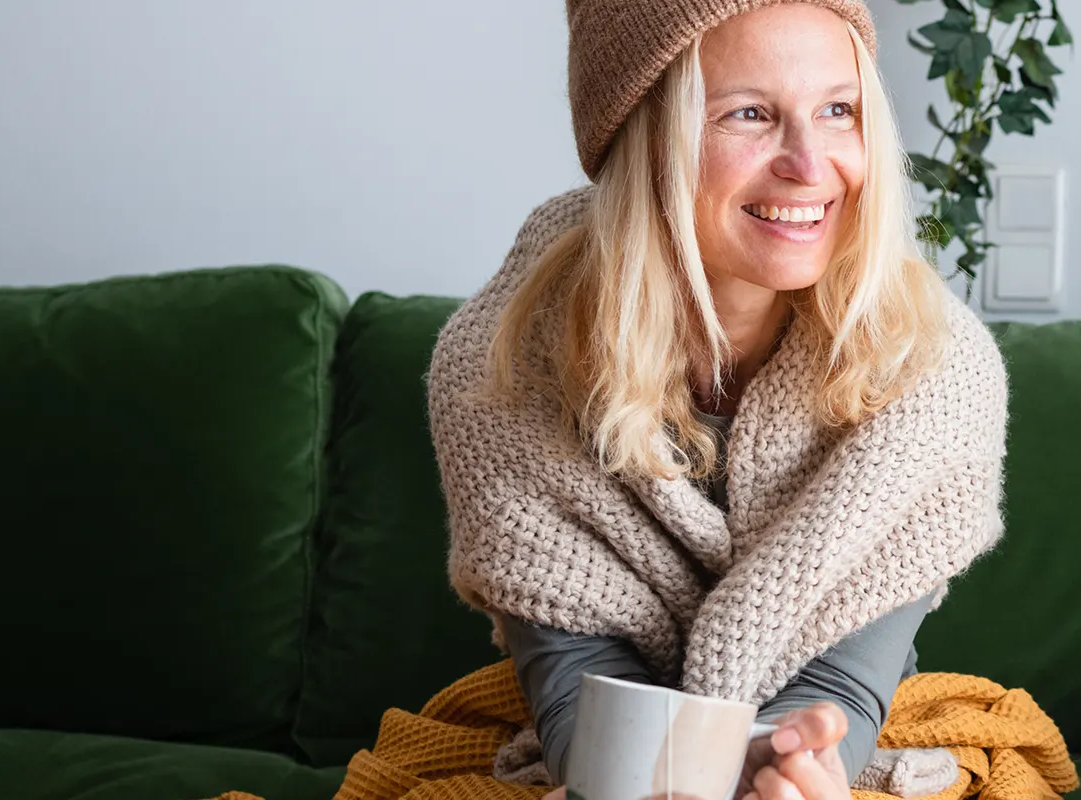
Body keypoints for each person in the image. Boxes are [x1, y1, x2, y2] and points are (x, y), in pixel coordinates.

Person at [423, 1, 1009, 798]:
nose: (810, 164)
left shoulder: (933, 370)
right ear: (643, 137)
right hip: (607, 744)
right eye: (750, 115)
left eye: (839, 110)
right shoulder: (503, 369)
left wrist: (800, 769)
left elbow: (845, 683)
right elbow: (574, 678)